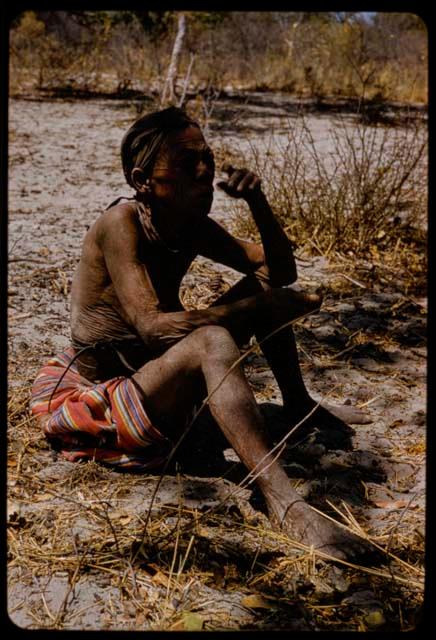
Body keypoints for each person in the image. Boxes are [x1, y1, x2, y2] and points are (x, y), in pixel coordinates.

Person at [31, 106, 373, 561]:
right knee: (217, 337)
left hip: (155, 379)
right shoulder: (122, 225)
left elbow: (280, 272)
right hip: (109, 397)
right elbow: (152, 328)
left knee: (262, 290)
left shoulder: (189, 226)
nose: (203, 171)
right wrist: (254, 308)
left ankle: (298, 405)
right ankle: (282, 500)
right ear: (142, 180)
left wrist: (258, 203)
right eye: (185, 161)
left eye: (207, 158)